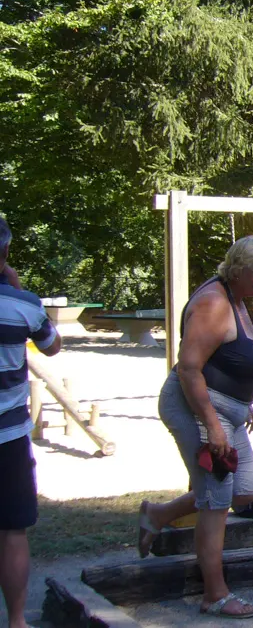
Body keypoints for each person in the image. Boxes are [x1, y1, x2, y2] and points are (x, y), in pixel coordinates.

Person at [137, 236, 253, 619]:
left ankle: (159, 515)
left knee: (245, 491)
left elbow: (236, 357)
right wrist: (213, 424)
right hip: (197, 409)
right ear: (235, 268)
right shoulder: (214, 303)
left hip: (227, 412)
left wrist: (242, 403)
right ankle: (214, 595)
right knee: (216, 501)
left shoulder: (238, 299)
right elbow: (189, 368)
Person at [0, 217, 62, 628]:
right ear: (4, 254)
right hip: (9, 436)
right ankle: (18, 619)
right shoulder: (24, 305)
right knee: (13, 531)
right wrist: (16, 288)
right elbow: (52, 346)